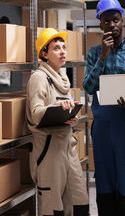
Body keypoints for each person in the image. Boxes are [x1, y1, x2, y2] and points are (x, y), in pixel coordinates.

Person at [83, 0, 125, 216]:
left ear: (122, 21)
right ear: (100, 24)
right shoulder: (94, 53)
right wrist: (103, 56)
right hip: (102, 129)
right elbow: (89, 87)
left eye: (115, 20)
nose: (111, 25)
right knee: (104, 180)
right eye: (106, 21)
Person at [26, 28, 89, 216]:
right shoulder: (39, 78)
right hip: (49, 151)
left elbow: (58, 111)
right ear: (44, 54)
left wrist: (69, 117)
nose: (62, 51)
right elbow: (36, 113)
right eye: (56, 48)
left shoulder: (63, 78)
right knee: (53, 207)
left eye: (64, 47)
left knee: (79, 201)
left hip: (67, 147)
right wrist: (58, 108)